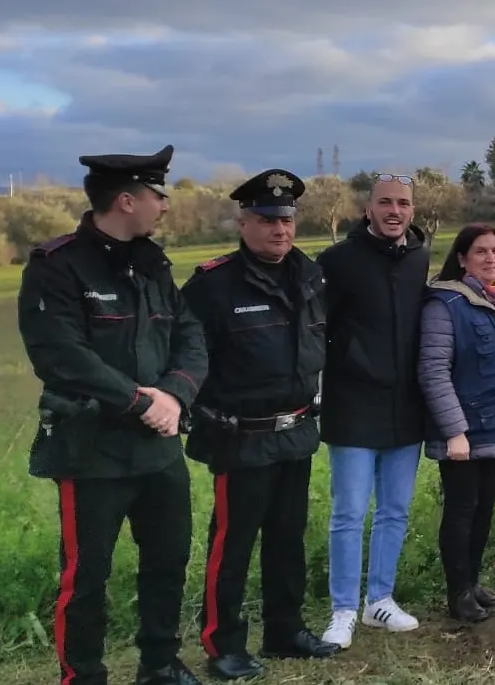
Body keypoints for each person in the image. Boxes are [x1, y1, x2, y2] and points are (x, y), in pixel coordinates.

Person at [17, 144, 209, 685]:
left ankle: (160, 663)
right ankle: (84, 675)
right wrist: (141, 402)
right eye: (157, 194)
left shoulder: (153, 263)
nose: (165, 205)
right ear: (126, 200)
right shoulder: (57, 267)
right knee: (86, 576)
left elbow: (190, 336)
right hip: (91, 449)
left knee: (168, 562)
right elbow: (61, 356)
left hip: (159, 447)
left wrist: (173, 395)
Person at [181, 170, 339, 679]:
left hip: (294, 431)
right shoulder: (213, 284)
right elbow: (186, 355)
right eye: (268, 220)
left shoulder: (310, 276)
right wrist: (201, 412)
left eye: (287, 219)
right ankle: (222, 643)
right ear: (243, 222)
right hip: (240, 437)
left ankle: (284, 630)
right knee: (232, 544)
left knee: (288, 538)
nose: (280, 230)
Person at [315, 173, 432, 647]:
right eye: (385, 202)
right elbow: (315, 328)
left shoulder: (420, 259)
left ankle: (378, 600)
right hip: (353, 405)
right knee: (348, 512)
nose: (394, 211)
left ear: (411, 211)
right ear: (368, 208)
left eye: (403, 203)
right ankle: (343, 609)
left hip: (406, 406)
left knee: (395, 510)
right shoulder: (337, 261)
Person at [418, 224, 495, 623]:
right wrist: (453, 431)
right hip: (463, 430)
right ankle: (458, 592)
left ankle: (475, 583)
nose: (491, 258)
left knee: (482, 509)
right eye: (480, 252)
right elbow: (433, 371)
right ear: (462, 259)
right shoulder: (444, 305)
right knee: (462, 509)